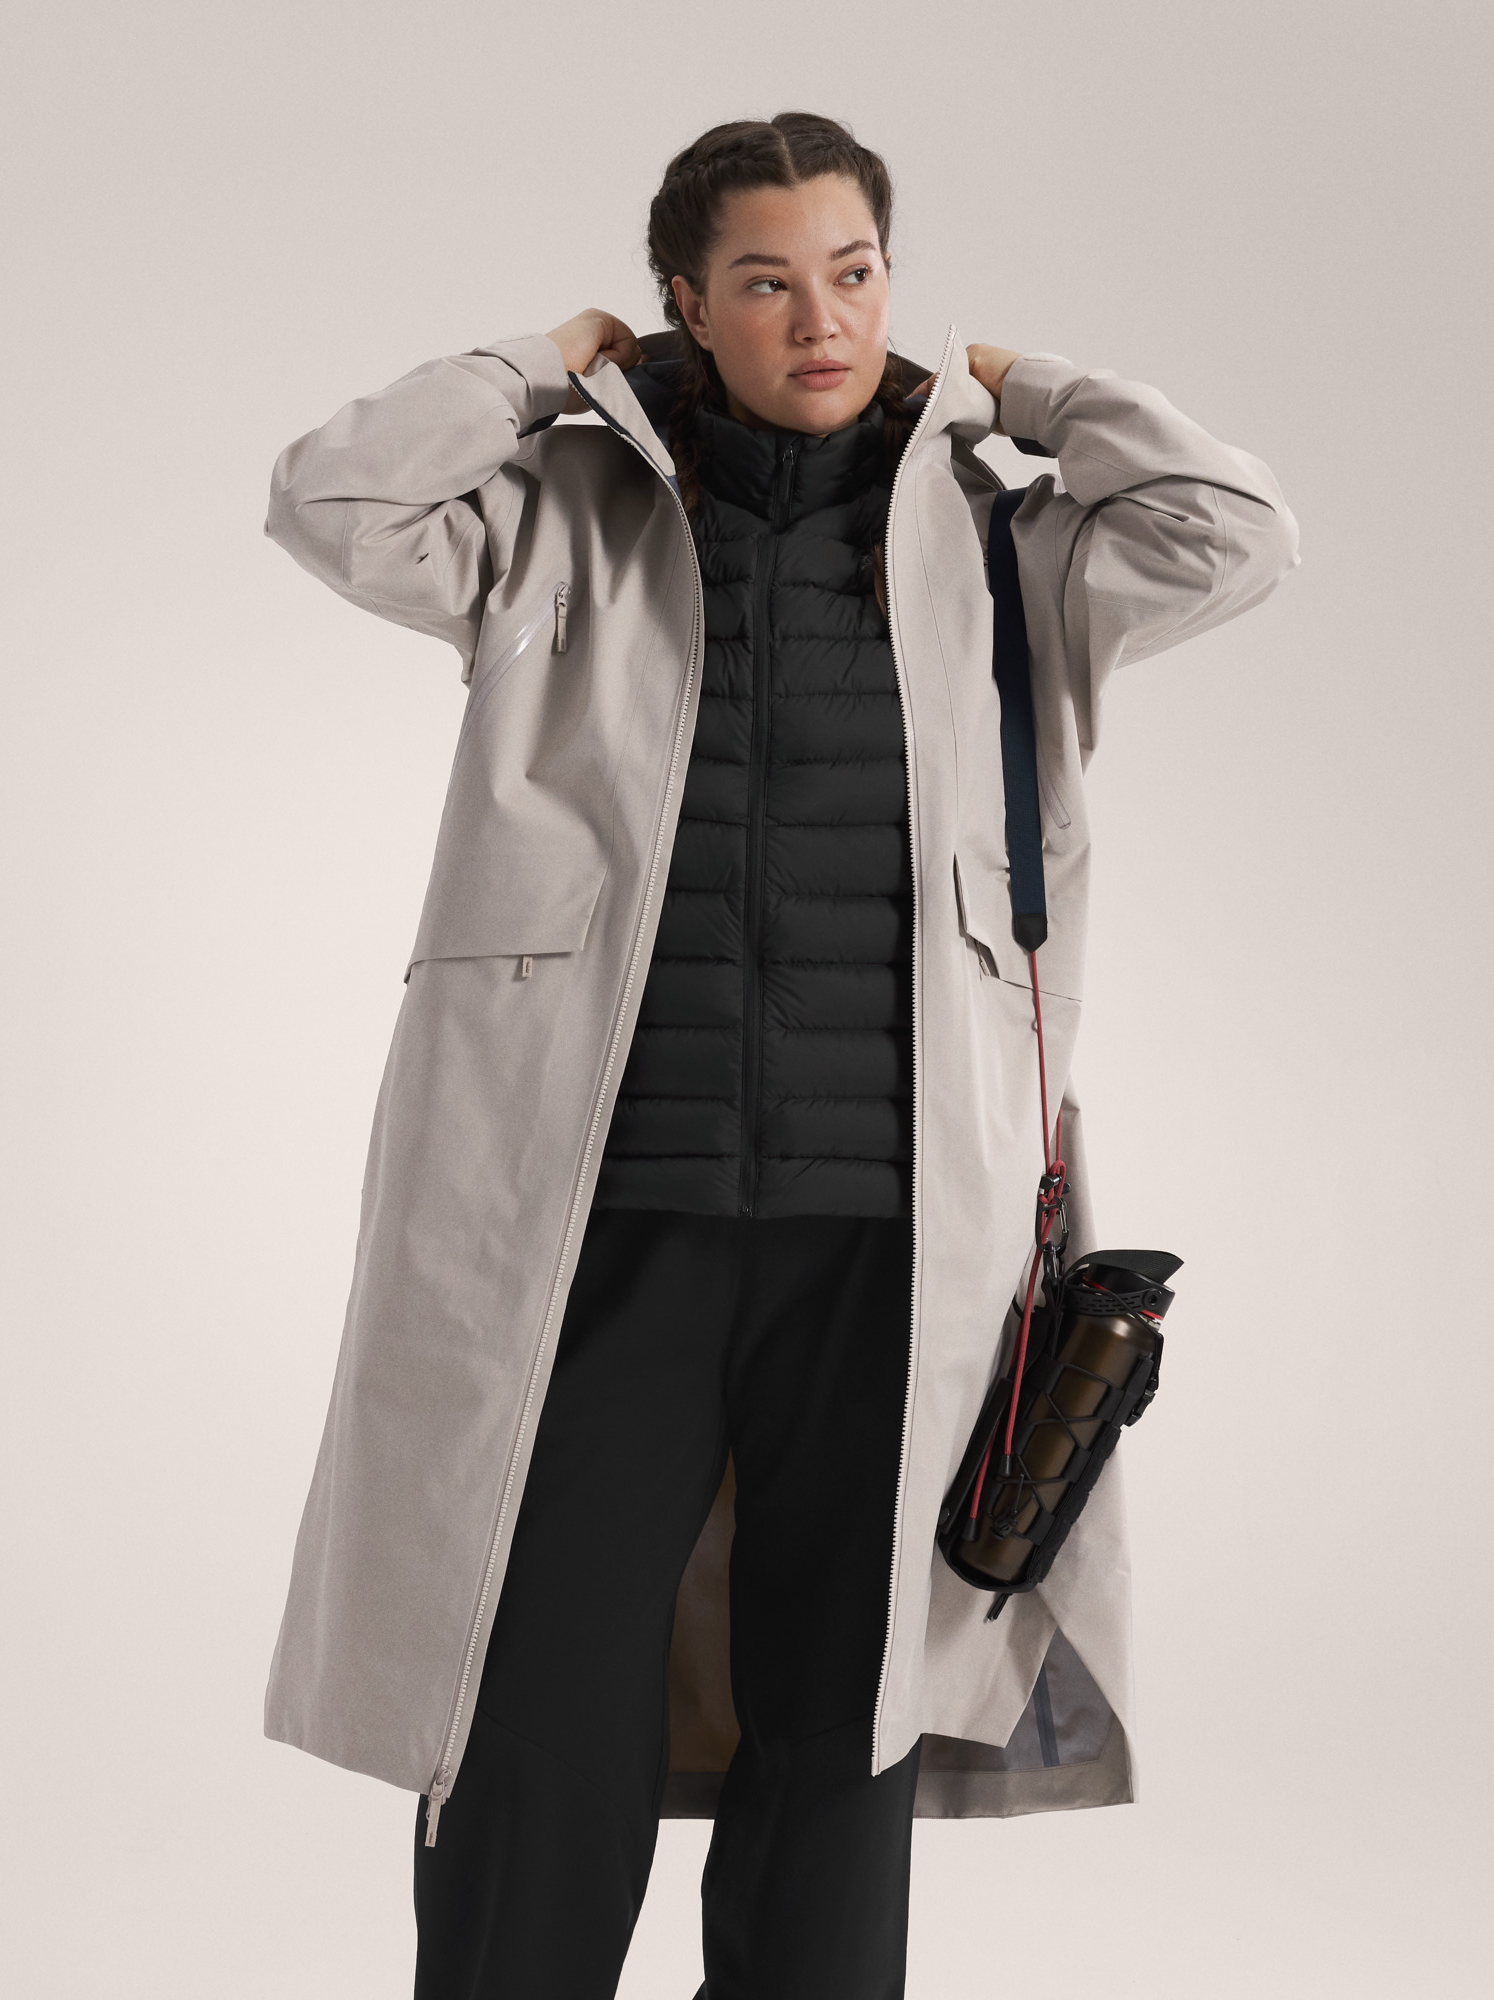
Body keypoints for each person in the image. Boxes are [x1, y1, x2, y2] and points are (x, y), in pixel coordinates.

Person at [262, 112, 1298, 2000]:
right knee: (526, 1710)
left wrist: (1033, 390)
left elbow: (1233, 533)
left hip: (893, 1238)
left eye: (854, 272)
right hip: (593, 1229)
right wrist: (536, 365)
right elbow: (334, 500)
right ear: (685, 302)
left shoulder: (1003, 538)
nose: (822, 319)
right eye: (765, 281)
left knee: (842, 1725)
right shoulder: (560, 512)